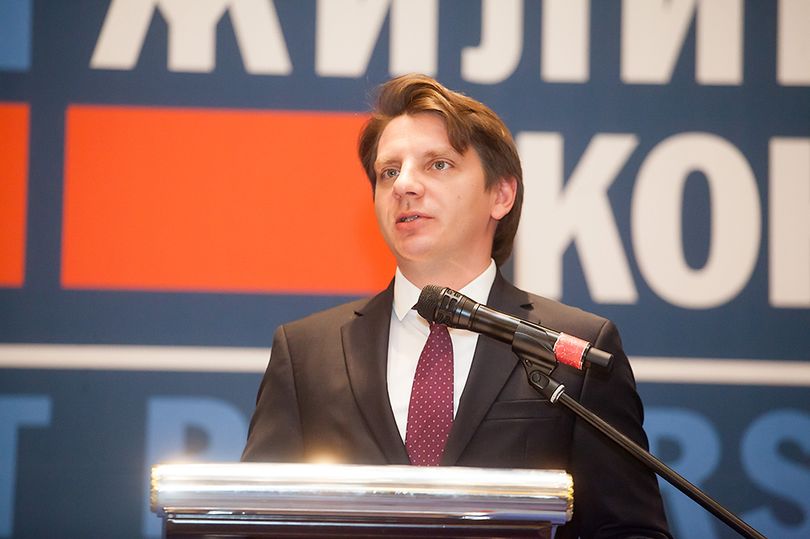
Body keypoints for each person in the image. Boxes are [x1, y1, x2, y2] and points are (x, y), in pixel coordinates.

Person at [242, 74, 671, 538]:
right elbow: (255, 522)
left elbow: (630, 530)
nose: (405, 185)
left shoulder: (572, 348)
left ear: (501, 195)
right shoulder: (306, 353)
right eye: (389, 172)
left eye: (438, 164)